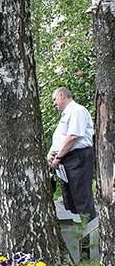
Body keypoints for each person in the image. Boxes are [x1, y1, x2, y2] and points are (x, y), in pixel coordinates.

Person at [47, 86, 96, 220]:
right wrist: (51, 153)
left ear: (62, 96)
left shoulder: (77, 110)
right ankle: (76, 234)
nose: (54, 103)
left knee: (81, 196)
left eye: (55, 99)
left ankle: (89, 234)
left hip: (77, 158)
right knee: (69, 198)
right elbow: (60, 137)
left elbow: (73, 136)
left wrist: (58, 157)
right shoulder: (66, 114)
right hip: (65, 160)